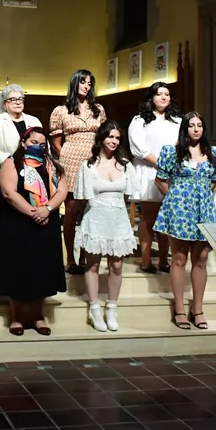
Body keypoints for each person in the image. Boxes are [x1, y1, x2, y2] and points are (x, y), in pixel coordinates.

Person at [0, 126, 67, 336]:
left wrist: (47, 209)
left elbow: (62, 190)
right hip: (18, 223)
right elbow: (9, 193)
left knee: (42, 269)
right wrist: (34, 212)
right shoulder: (12, 162)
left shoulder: (52, 166)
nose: (38, 147)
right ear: (24, 142)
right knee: (19, 269)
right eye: (34, 142)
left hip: (46, 223)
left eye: (42, 144)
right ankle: (16, 317)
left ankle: (38, 316)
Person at [153, 112, 216, 331]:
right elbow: (160, 179)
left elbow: (213, 181)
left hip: (204, 210)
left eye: (199, 125)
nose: (196, 129)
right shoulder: (172, 152)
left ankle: (198, 309)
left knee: (201, 259)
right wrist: (175, 197)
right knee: (179, 259)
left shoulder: (213, 153)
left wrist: (201, 199)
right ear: (185, 128)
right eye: (191, 125)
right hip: (180, 211)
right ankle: (180, 309)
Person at [73, 121, 137, 332]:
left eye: (117, 138)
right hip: (96, 219)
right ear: (101, 138)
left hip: (118, 220)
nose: (114, 141)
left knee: (116, 265)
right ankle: (94, 309)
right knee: (92, 265)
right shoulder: (88, 166)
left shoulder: (126, 165)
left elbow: (128, 196)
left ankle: (111, 307)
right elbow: (81, 198)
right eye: (110, 136)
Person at [49, 70, 107, 274]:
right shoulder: (61, 110)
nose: (86, 86)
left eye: (90, 83)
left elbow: (103, 137)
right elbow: (56, 142)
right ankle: (71, 258)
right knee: (72, 210)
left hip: (93, 161)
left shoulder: (98, 109)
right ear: (75, 83)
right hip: (71, 162)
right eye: (83, 82)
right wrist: (65, 158)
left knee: (89, 209)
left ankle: (85, 255)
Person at [0, 84, 42, 255]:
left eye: (20, 99)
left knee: (26, 222)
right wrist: (10, 161)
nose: (17, 102)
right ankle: (4, 255)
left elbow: (44, 146)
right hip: (3, 179)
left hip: (30, 179)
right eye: (13, 99)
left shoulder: (34, 121)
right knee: (5, 222)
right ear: (5, 103)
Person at [128, 82, 182, 273]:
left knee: (167, 217)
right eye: (159, 94)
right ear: (151, 97)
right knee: (149, 218)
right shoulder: (140, 120)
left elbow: (181, 146)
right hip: (149, 171)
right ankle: (146, 260)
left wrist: (170, 167)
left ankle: (164, 260)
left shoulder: (177, 121)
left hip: (171, 174)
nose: (163, 97)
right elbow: (138, 149)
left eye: (167, 94)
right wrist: (162, 164)